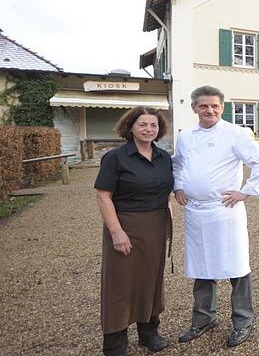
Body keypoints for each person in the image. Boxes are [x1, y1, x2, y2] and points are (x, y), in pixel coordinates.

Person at [172, 85, 259, 348]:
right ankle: (204, 318)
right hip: (196, 211)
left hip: (225, 211)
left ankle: (243, 321)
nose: (209, 110)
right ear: (194, 108)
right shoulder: (185, 136)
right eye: (203, 106)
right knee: (202, 268)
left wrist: (246, 191)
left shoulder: (235, 133)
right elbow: (178, 163)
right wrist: (179, 186)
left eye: (214, 106)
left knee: (236, 267)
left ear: (222, 107)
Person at [94, 107, 173, 356]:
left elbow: (166, 190)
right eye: (143, 124)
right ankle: (115, 345)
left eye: (154, 125)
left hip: (157, 227)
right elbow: (103, 196)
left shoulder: (163, 157)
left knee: (151, 281)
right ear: (130, 127)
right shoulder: (115, 158)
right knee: (120, 285)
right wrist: (116, 232)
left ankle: (149, 334)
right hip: (126, 225)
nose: (149, 129)